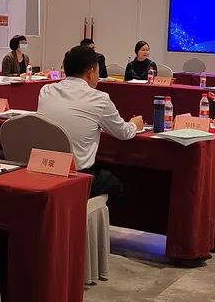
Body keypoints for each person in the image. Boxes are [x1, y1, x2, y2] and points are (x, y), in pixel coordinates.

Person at [38, 45, 144, 198]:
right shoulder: (99, 99)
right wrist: (134, 124)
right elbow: (123, 133)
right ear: (91, 72)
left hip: (44, 170)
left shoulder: (46, 91)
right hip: (78, 176)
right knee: (118, 186)